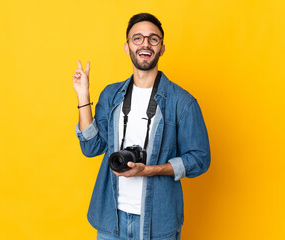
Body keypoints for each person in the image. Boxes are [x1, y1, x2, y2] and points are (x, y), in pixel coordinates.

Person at [73, 13, 210, 240]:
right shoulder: (111, 95)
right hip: (110, 218)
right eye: (137, 38)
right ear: (127, 47)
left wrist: (151, 170)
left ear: (162, 48)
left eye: (153, 39)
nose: (145, 43)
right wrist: (83, 95)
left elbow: (200, 159)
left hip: (159, 221)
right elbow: (91, 148)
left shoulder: (183, 102)